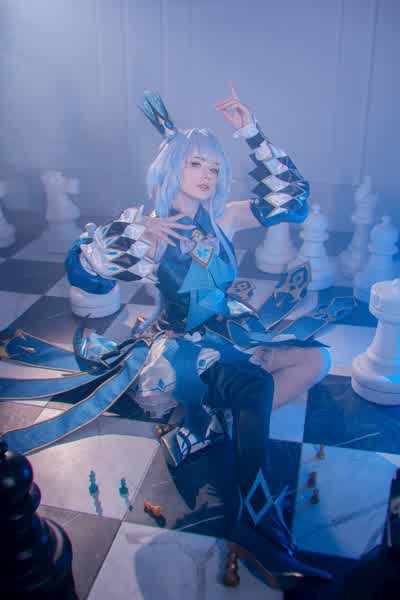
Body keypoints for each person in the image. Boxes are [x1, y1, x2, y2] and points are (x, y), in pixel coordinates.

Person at [1, 83, 336, 590]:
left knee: (318, 361)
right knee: (254, 385)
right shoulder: (149, 231)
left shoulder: (224, 216)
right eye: (196, 164)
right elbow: (85, 274)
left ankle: (221, 420)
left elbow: (294, 200)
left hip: (231, 334)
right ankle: (257, 527)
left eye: (214, 168)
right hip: (180, 352)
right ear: (172, 166)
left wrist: (250, 132)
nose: (206, 175)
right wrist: (129, 240)